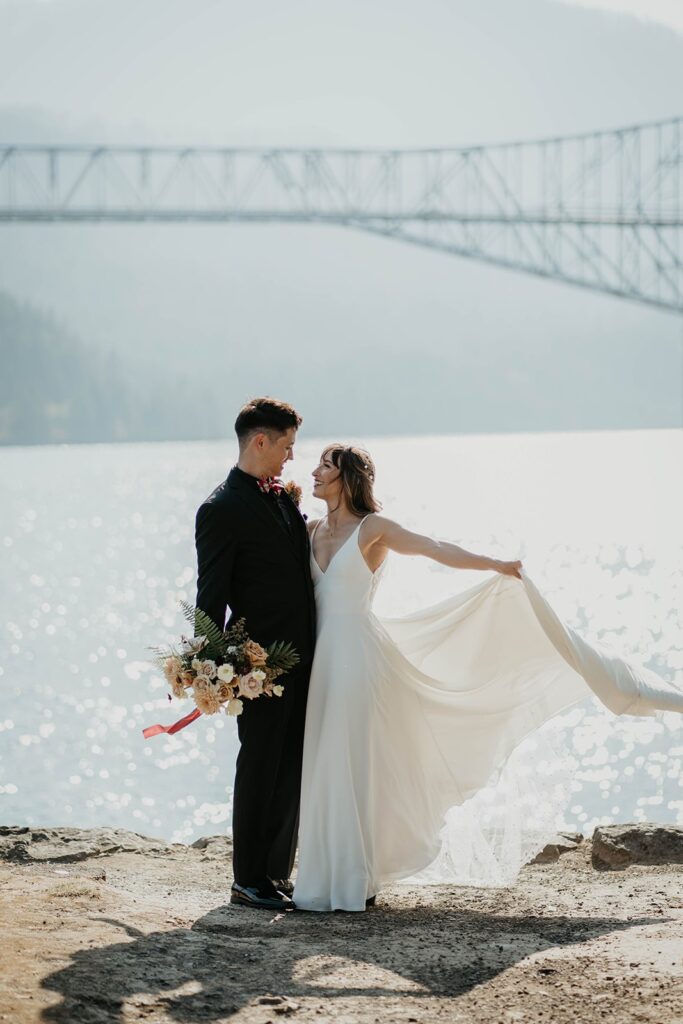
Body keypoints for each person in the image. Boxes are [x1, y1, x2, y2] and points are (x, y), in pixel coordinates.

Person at [292, 443, 683, 913]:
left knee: (351, 761)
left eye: (325, 466)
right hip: (322, 663)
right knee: (322, 760)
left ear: (348, 478)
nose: (314, 472)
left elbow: (434, 548)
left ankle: (355, 879)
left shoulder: (373, 528)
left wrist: (494, 565)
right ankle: (325, 877)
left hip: (359, 661)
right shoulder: (309, 529)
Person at [195, 397, 316, 911]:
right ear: (260, 441)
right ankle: (247, 879)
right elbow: (211, 594)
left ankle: (274, 873)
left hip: (306, 656)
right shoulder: (220, 508)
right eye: (286, 446)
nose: (291, 458)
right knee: (260, 765)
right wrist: (215, 664)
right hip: (259, 665)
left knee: (292, 765)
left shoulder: (281, 498)